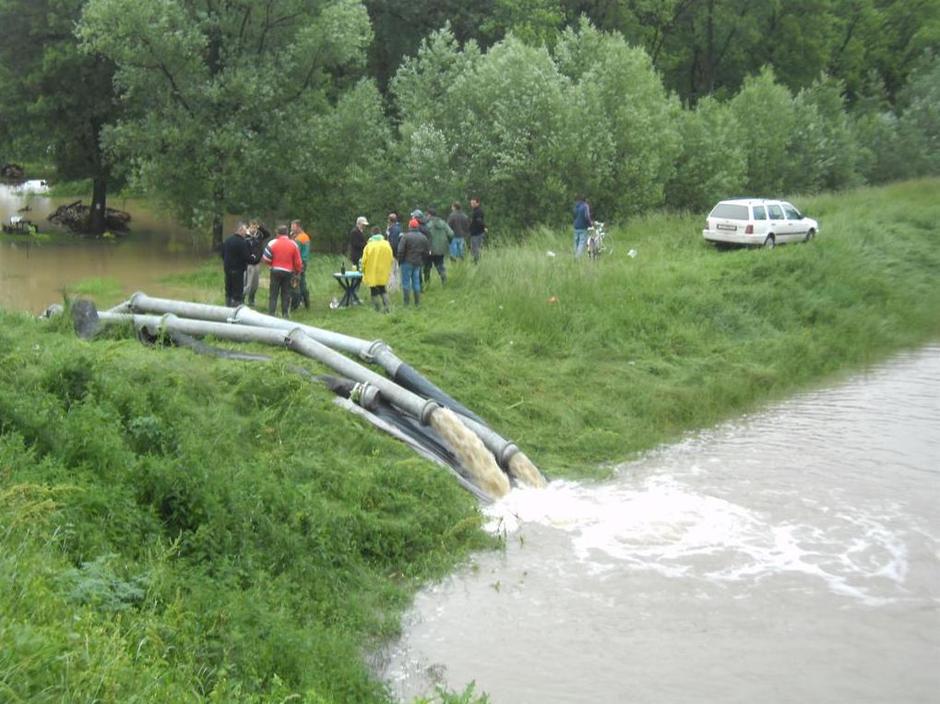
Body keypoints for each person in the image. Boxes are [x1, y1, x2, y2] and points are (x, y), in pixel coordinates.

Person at [262, 224, 302, 318]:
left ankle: (271, 313)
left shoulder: (272, 243)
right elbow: (298, 262)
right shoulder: (293, 244)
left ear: (277, 233)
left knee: (273, 293)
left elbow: (265, 258)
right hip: (288, 271)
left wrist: (271, 264)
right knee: (286, 293)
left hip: (275, 270)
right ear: (287, 232)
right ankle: (285, 314)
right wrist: (297, 271)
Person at [397, 217, 430, 307]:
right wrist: (423, 261)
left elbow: (400, 250)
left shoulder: (405, 237)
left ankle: (406, 303)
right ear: (417, 227)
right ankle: (417, 303)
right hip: (418, 263)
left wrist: (400, 261)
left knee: (406, 282)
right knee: (416, 282)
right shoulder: (423, 237)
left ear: (409, 226)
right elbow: (427, 251)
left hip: (406, 262)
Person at [362, 226, 394, 313]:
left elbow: (364, 260)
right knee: (383, 289)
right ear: (380, 233)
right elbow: (391, 258)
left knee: (373, 291)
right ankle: (387, 308)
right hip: (383, 272)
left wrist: (362, 270)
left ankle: (377, 309)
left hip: (371, 272)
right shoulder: (386, 244)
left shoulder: (369, 245)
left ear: (372, 234)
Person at [221, 221, 251, 307]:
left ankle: (227, 306)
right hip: (238, 270)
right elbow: (246, 257)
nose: (246, 233)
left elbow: (222, 254)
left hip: (227, 269)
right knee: (238, 291)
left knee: (228, 289)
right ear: (240, 230)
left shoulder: (227, 240)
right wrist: (252, 257)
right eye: (245, 231)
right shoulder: (242, 242)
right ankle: (236, 308)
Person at [424, 207, 453, 286]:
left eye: (427, 215)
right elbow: (451, 234)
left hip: (429, 250)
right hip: (441, 249)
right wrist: (448, 242)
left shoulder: (427, 224)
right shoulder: (443, 223)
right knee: (440, 266)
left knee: (427, 268)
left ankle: (427, 285)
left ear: (429, 215)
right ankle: (445, 283)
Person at [243, 220, 268, 307]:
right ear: (249, 227)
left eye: (254, 227)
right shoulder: (245, 236)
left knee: (255, 283)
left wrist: (260, 227)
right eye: (251, 227)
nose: (253, 229)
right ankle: (241, 298)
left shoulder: (259, 235)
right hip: (247, 264)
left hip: (256, 263)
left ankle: (251, 299)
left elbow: (267, 234)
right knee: (247, 283)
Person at [289, 219, 311, 311]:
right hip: (304, 261)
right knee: (302, 282)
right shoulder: (305, 236)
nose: (292, 229)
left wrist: (291, 239)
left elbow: (294, 250)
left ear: (298, 227)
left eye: (293, 227)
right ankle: (307, 303)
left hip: (299, 262)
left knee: (295, 283)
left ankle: (295, 305)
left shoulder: (299, 238)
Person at [386, 212, 402, 293]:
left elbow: (391, 242)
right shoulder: (399, 228)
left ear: (390, 220)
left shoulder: (391, 229)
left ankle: (391, 288)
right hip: (398, 252)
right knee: (397, 271)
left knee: (391, 271)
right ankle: (397, 287)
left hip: (392, 253)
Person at [469, 197, 486, 263]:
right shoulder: (475, 211)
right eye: (471, 203)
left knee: (475, 249)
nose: (472, 204)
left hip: (477, 233)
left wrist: (484, 227)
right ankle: (476, 261)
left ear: (478, 203)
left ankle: (476, 262)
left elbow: (479, 221)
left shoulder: (478, 211)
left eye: (473, 203)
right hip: (476, 233)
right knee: (476, 249)